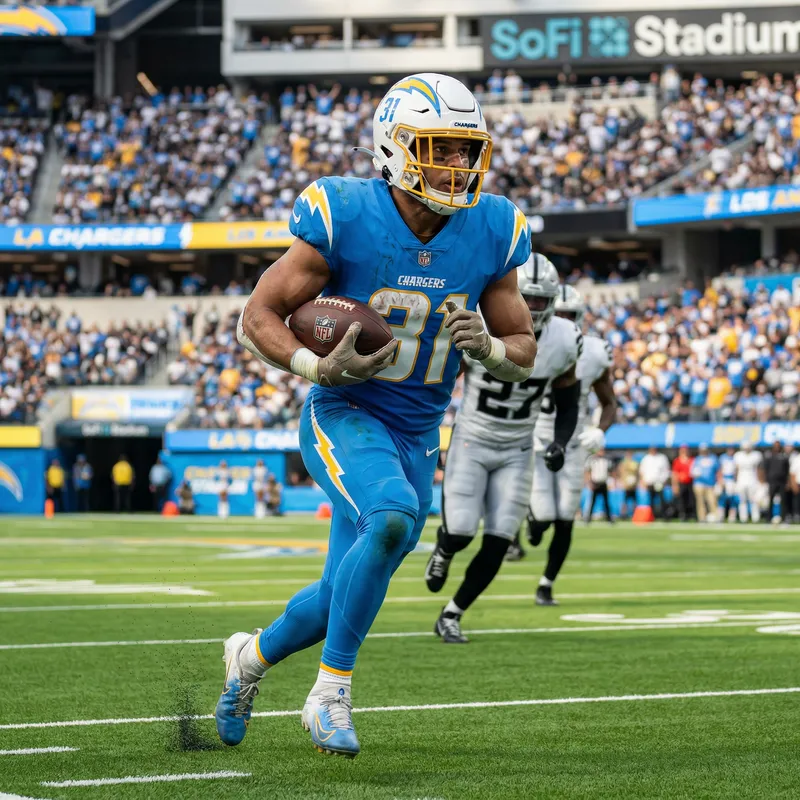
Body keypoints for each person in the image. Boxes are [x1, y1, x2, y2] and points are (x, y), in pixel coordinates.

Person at [215, 72, 536, 758]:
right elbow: (257, 315)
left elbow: (524, 347)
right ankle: (329, 694)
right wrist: (315, 366)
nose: (457, 165)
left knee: (340, 593)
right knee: (394, 516)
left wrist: (491, 349)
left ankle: (247, 660)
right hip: (345, 409)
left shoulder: (494, 228)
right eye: (439, 148)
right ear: (395, 146)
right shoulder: (345, 213)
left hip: (418, 431)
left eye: (465, 150)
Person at [422, 255, 580, 642]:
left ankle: (452, 613)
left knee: (499, 539)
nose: (534, 309)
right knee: (460, 531)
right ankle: (444, 547)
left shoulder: (564, 339)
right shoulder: (483, 324)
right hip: (473, 439)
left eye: (542, 301)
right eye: (528, 299)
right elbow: (441, 373)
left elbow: (569, 398)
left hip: (518, 448)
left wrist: (560, 441)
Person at [524, 284, 617, 605]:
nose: (563, 320)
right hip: (534, 437)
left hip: (573, 442)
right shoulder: (528, 341)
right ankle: (531, 520)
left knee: (565, 517)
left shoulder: (593, 351)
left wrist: (600, 431)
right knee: (544, 519)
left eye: (569, 315)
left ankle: (546, 584)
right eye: (558, 313)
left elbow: (609, 402)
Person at [734, 440, 764, 523]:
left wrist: (760, 481)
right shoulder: (738, 455)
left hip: (753, 480)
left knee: (754, 500)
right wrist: (735, 481)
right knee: (742, 500)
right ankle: (743, 518)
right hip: (741, 480)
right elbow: (736, 469)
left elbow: (759, 469)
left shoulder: (756, 455)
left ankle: (755, 518)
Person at [638, 445, 671, 518]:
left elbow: (666, 470)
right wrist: (643, 481)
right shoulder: (646, 458)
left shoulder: (662, 458)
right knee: (651, 500)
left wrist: (664, 480)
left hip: (659, 482)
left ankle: (664, 516)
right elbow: (642, 471)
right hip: (650, 482)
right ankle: (652, 516)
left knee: (662, 499)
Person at [763, 440, 791, 523]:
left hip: (782, 482)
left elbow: (787, 470)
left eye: (778, 445)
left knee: (783, 501)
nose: (777, 447)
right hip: (772, 481)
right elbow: (765, 469)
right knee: (770, 500)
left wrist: (788, 482)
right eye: (775, 445)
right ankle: (768, 518)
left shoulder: (784, 456)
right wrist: (765, 480)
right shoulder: (769, 456)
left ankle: (783, 518)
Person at [584, 448, 613, 524]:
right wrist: (589, 482)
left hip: (603, 482)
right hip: (595, 483)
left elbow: (610, 471)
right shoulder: (592, 459)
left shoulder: (606, 460)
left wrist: (610, 482)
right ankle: (588, 518)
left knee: (606, 502)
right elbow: (588, 471)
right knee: (593, 501)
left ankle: (609, 518)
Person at [691, 443, 719, 522]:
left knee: (712, 501)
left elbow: (718, 470)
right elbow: (692, 471)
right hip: (699, 484)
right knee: (700, 502)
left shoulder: (713, 458)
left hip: (710, 484)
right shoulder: (697, 459)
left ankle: (716, 517)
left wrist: (719, 482)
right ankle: (702, 518)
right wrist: (695, 473)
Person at [671, 444, 694, 522]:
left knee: (690, 500)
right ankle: (682, 514)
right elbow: (675, 474)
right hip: (681, 483)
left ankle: (690, 514)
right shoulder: (677, 461)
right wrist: (675, 485)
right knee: (681, 500)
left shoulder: (691, 460)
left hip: (690, 483)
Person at [618, 450, 639, 518]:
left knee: (634, 501)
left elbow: (637, 473)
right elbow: (621, 472)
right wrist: (622, 482)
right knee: (624, 500)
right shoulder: (623, 463)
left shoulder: (635, 463)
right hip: (626, 485)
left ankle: (635, 514)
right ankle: (623, 514)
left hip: (633, 485)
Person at [719, 446, 738, 521]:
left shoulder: (736, 458)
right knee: (722, 498)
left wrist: (736, 480)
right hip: (724, 479)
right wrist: (720, 480)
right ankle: (721, 516)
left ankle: (732, 517)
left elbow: (737, 470)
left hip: (732, 480)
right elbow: (719, 469)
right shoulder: (722, 457)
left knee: (733, 498)